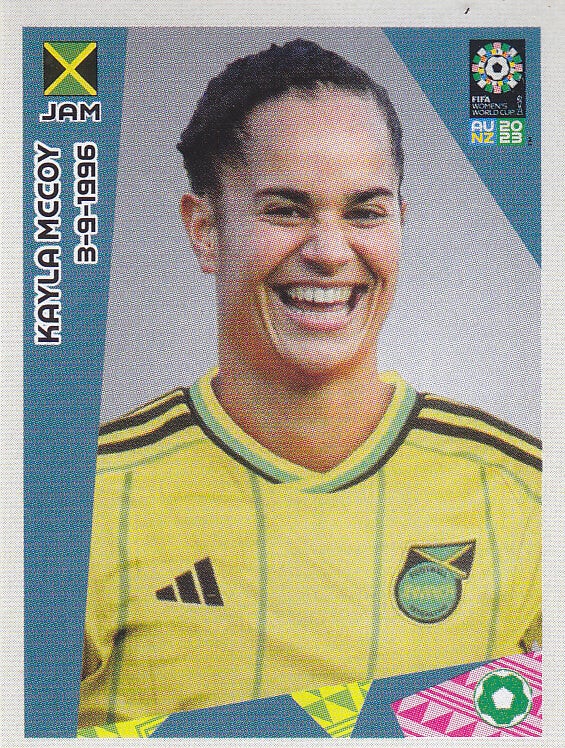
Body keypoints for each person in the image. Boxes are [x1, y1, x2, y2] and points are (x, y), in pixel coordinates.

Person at [78, 39, 541, 729]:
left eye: (364, 211)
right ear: (204, 230)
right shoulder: (81, 501)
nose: (329, 252)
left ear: (399, 223)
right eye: (286, 210)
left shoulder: (525, 490)